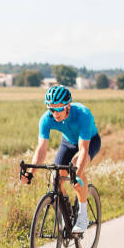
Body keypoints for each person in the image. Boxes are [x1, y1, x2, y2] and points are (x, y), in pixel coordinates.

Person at [21, 85, 101, 233]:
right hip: (68, 143)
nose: (55, 113)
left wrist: (76, 175)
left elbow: (83, 150)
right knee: (55, 178)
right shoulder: (46, 118)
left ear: (68, 106)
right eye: (51, 109)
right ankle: (67, 212)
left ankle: (82, 215)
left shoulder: (83, 114)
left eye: (59, 109)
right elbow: (41, 149)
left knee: (76, 168)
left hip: (90, 141)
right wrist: (30, 173)